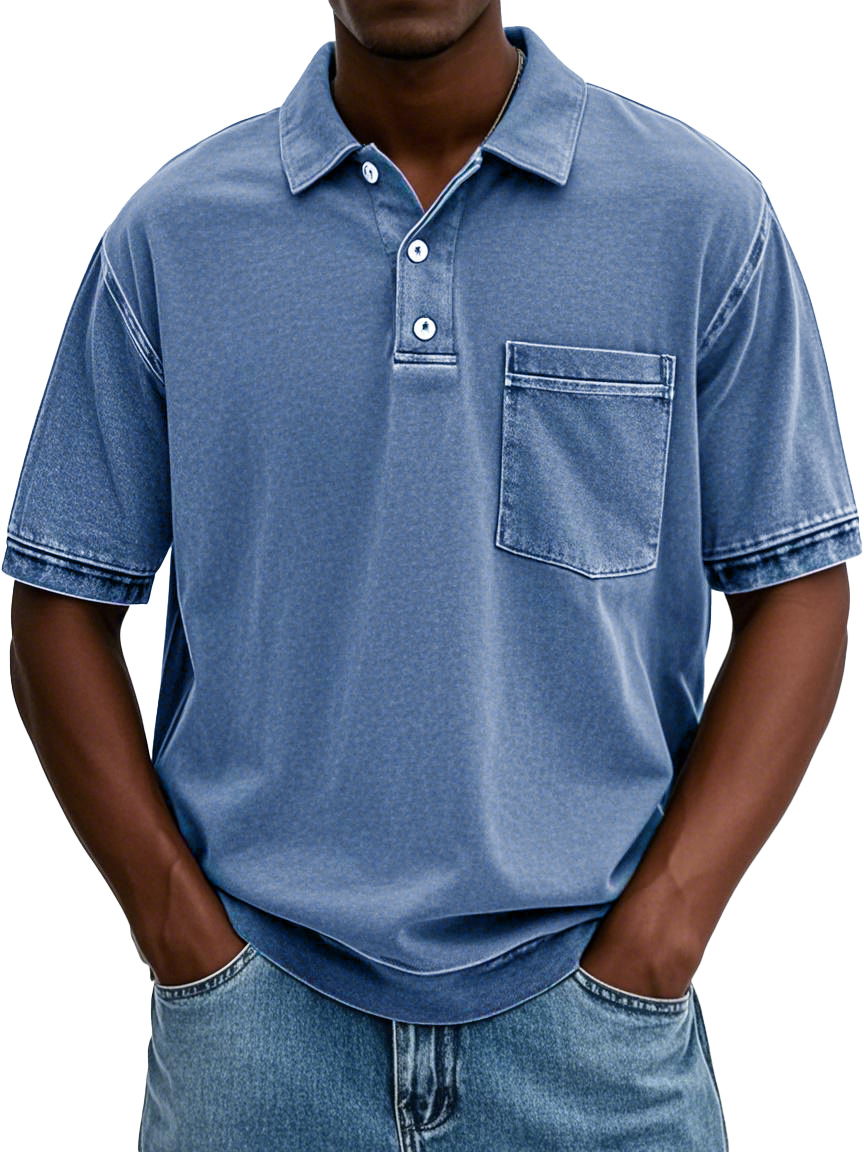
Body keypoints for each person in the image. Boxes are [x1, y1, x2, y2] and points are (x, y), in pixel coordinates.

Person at [4, 2, 860, 1149]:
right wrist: (177, 928)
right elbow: (60, 602)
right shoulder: (172, 238)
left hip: (595, 1048)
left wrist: (663, 931)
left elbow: (796, 585)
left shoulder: (701, 218)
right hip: (258, 1043)